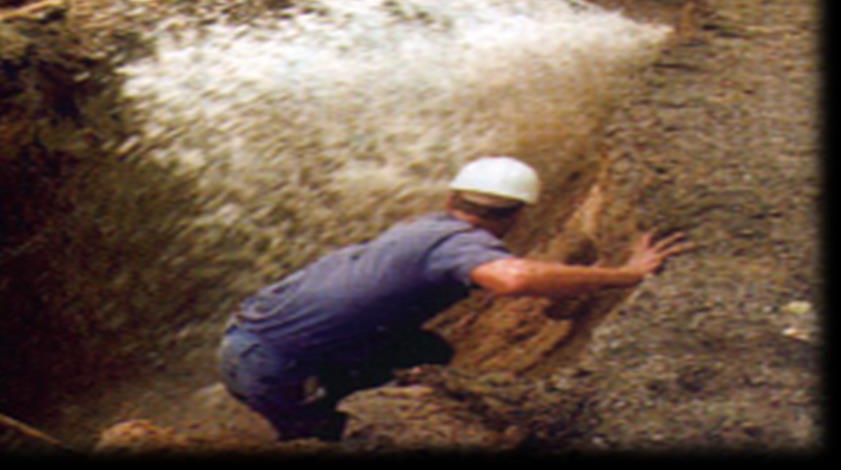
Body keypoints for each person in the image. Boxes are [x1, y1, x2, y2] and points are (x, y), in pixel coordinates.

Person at [219, 156, 691, 441]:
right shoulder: (458, 245)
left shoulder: (423, 228)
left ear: (454, 199)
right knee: (330, 439)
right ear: (517, 214)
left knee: (426, 352)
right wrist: (624, 275)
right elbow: (513, 280)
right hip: (273, 367)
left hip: (248, 339)